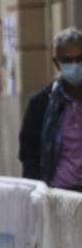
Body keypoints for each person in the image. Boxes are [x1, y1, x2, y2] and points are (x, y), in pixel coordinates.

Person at [19, 27, 82, 190]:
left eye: (79, 58)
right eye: (68, 60)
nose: (75, 65)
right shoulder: (41, 105)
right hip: (58, 194)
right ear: (56, 62)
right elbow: (29, 153)